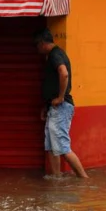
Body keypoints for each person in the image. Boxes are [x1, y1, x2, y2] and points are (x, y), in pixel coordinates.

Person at [35, 29, 89, 179]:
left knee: (62, 147)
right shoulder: (53, 55)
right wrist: (46, 106)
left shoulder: (55, 54)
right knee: (51, 147)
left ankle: (84, 180)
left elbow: (64, 73)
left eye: (37, 45)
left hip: (61, 107)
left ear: (43, 43)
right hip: (54, 108)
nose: (37, 49)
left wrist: (60, 97)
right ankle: (56, 180)